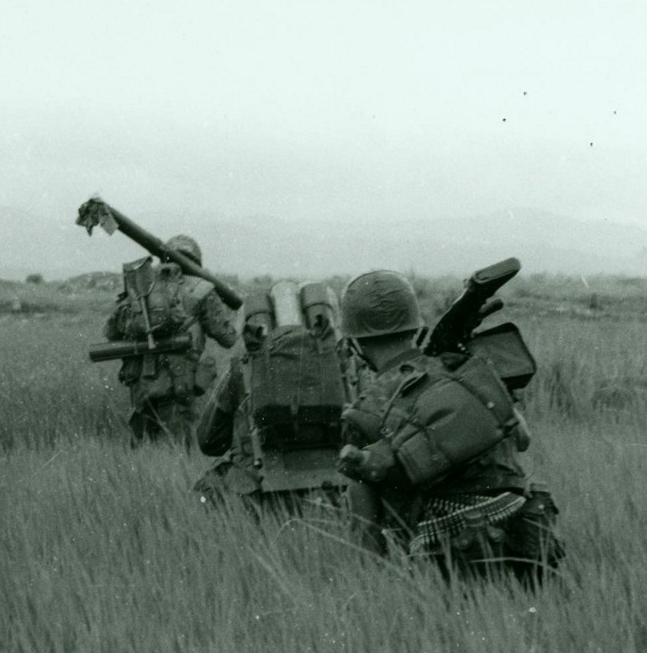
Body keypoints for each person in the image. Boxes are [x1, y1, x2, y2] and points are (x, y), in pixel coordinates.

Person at [335, 270, 562, 585]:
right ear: (417, 328)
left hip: (449, 562)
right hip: (528, 535)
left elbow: (365, 532)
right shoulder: (466, 370)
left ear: (354, 343)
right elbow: (522, 438)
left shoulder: (364, 412)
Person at [194, 281, 349, 517]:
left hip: (257, 489)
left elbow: (208, 441)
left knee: (204, 495)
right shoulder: (342, 364)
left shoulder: (242, 369)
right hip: (337, 488)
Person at [102, 234, 237, 445]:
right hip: (179, 380)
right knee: (179, 451)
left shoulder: (141, 286)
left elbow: (111, 331)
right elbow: (228, 338)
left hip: (141, 380)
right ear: (196, 260)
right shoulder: (203, 289)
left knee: (142, 450)